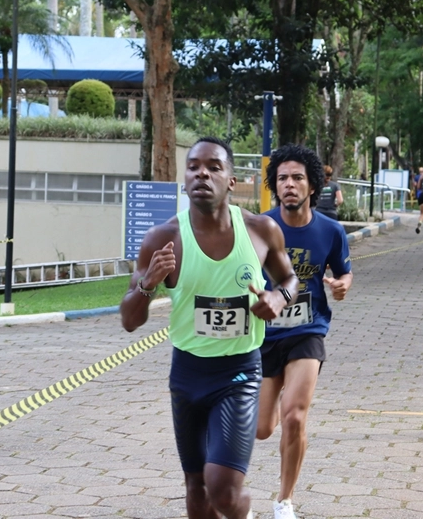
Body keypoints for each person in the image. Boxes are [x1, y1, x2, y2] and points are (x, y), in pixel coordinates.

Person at [119, 137, 298, 519]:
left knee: (223, 491)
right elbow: (129, 321)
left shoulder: (261, 230)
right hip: (187, 373)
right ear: (184, 179)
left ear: (232, 180)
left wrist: (278, 299)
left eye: (214, 167)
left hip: (239, 371)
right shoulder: (162, 239)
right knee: (196, 490)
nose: (203, 173)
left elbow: (289, 280)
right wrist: (148, 285)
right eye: (194, 166)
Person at [255, 144, 353, 519]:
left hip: (308, 330)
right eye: (283, 178)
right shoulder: (260, 228)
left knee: (295, 416)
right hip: (263, 336)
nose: (290, 185)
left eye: (298, 178)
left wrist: (343, 284)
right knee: (264, 429)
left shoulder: (330, 231)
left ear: (313, 185)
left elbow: (343, 271)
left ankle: (284, 500)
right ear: (274, 186)